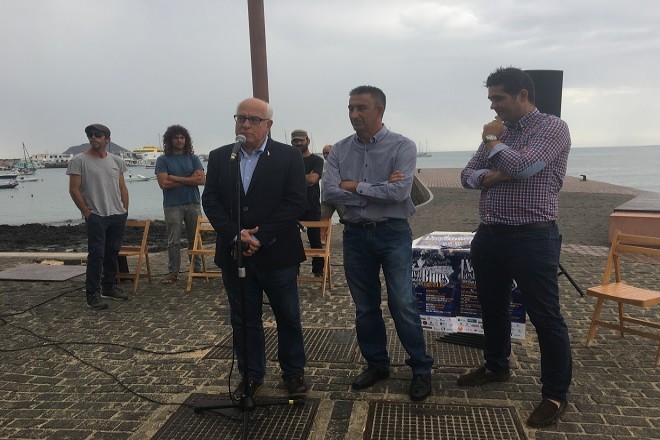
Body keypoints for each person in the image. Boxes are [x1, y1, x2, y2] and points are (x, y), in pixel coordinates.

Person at [459, 67, 573, 429]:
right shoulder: (502, 131)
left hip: (532, 237)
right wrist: (497, 171)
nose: (493, 106)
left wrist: (493, 144)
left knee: (546, 316)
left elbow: (523, 167)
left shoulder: (552, 128)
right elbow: (466, 175)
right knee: (492, 306)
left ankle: (554, 394)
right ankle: (496, 366)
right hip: (489, 235)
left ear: (522, 95)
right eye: (491, 98)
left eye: (499, 98)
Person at [322, 85, 433, 401]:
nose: (354, 114)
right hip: (354, 235)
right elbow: (329, 191)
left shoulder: (402, 146)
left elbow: (399, 193)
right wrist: (378, 188)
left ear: (379, 110)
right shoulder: (340, 150)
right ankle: (377, 364)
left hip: (392, 232)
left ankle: (421, 368)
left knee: (402, 302)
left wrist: (354, 186)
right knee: (365, 306)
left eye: (361, 108)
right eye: (350, 108)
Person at [202, 97, 308, 399]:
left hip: (278, 252)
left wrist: (260, 238)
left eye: (253, 120)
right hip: (234, 253)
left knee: (287, 316)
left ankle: (293, 372)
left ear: (268, 125)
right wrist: (236, 235)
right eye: (240, 118)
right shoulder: (221, 156)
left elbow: (295, 202)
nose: (245, 124)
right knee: (243, 319)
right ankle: (250, 375)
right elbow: (210, 200)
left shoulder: (289, 156)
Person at [67, 123, 129, 309]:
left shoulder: (116, 160)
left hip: (117, 214)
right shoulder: (79, 160)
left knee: (112, 252)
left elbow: (122, 187)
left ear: (107, 139)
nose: (93, 137)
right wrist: (88, 213)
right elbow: (74, 190)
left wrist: (124, 210)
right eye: (90, 134)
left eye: (97, 134)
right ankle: (92, 293)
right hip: (96, 216)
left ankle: (108, 287)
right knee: (96, 254)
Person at [155, 125, 206, 284]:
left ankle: (197, 270)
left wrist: (174, 178)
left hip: (193, 203)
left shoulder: (193, 158)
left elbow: (201, 180)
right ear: (170, 140)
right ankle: (173, 273)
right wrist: (190, 180)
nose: (179, 141)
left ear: (186, 139)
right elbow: (164, 184)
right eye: (176, 138)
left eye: (182, 137)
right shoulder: (162, 160)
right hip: (172, 205)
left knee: (195, 239)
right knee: (174, 241)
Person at [290, 129, 324, 276]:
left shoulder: (317, 160)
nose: (298, 143)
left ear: (307, 141)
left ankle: (318, 270)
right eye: (295, 141)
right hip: (292, 206)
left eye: (301, 140)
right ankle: (293, 270)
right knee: (291, 241)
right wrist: (304, 178)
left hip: (312, 206)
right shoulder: (289, 160)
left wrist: (292, 179)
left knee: (315, 240)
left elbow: (312, 180)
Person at [319, 144, 345, 244]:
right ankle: (321, 239)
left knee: (346, 218)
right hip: (326, 198)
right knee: (323, 217)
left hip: (339, 197)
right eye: (324, 153)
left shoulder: (342, 163)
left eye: (327, 153)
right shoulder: (324, 165)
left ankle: (350, 236)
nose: (326, 155)